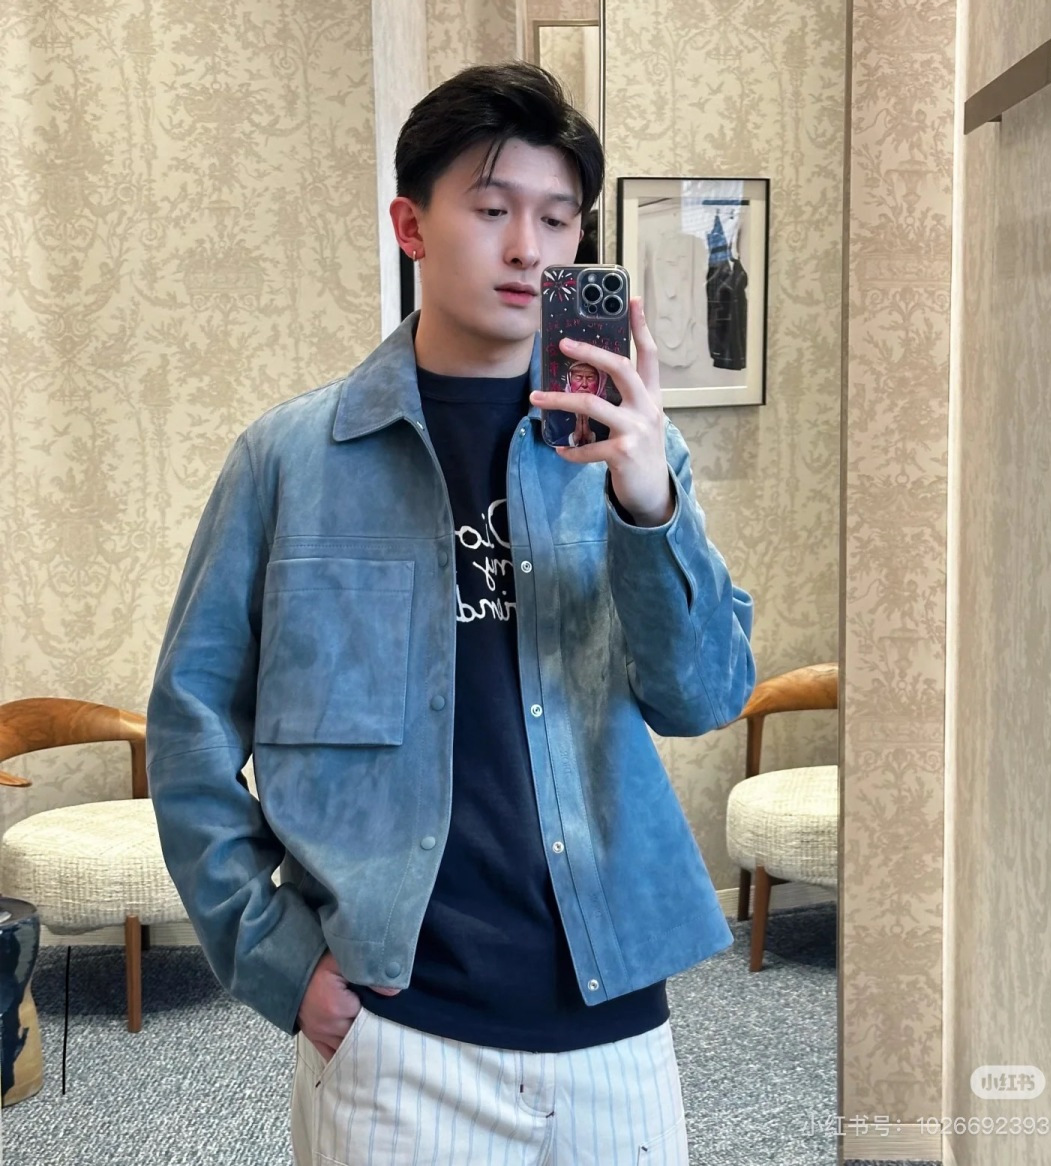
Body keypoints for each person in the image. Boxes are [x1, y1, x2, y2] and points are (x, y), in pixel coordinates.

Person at [146, 61, 754, 1166]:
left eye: (557, 218)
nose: (529, 248)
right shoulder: (290, 460)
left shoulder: (630, 453)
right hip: (394, 1028)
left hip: (613, 1021)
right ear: (410, 226)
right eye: (492, 209)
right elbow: (190, 723)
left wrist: (648, 504)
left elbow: (705, 695)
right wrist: (275, 955)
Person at [563, 359, 607, 447]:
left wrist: (591, 437)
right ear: (569, 381)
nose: (584, 384)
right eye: (578, 378)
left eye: (590, 378)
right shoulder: (555, 414)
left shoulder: (609, 413)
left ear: (599, 383)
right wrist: (574, 437)